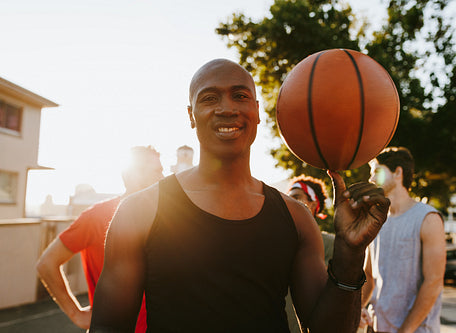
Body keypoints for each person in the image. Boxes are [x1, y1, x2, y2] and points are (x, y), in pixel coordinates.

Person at [90, 59, 390, 333]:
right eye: (209, 98)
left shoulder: (295, 217)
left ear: (257, 111)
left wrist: (350, 253)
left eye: (240, 95)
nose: (227, 108)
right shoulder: (140, 211)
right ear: (191, 115)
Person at [36, 145, 164, 332]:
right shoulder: (97, 216)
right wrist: (76, 314)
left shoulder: (164, 218)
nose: (163, 177)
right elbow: (47, 263)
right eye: (157, 171)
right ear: (133, 175)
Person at [361, 147, 446, 332]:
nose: (371, 179)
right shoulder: (376, 220)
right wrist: (358, 307)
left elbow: (433, 282)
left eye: (376, 171)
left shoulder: (428, 218)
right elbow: (368, 274)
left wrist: (404, 330)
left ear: (398, 172)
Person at [285, 175, 335, 332]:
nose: (289, 203)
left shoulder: (330, 244)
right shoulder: (275, 241)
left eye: (296, 197)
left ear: (313, 204)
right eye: (288, 198)